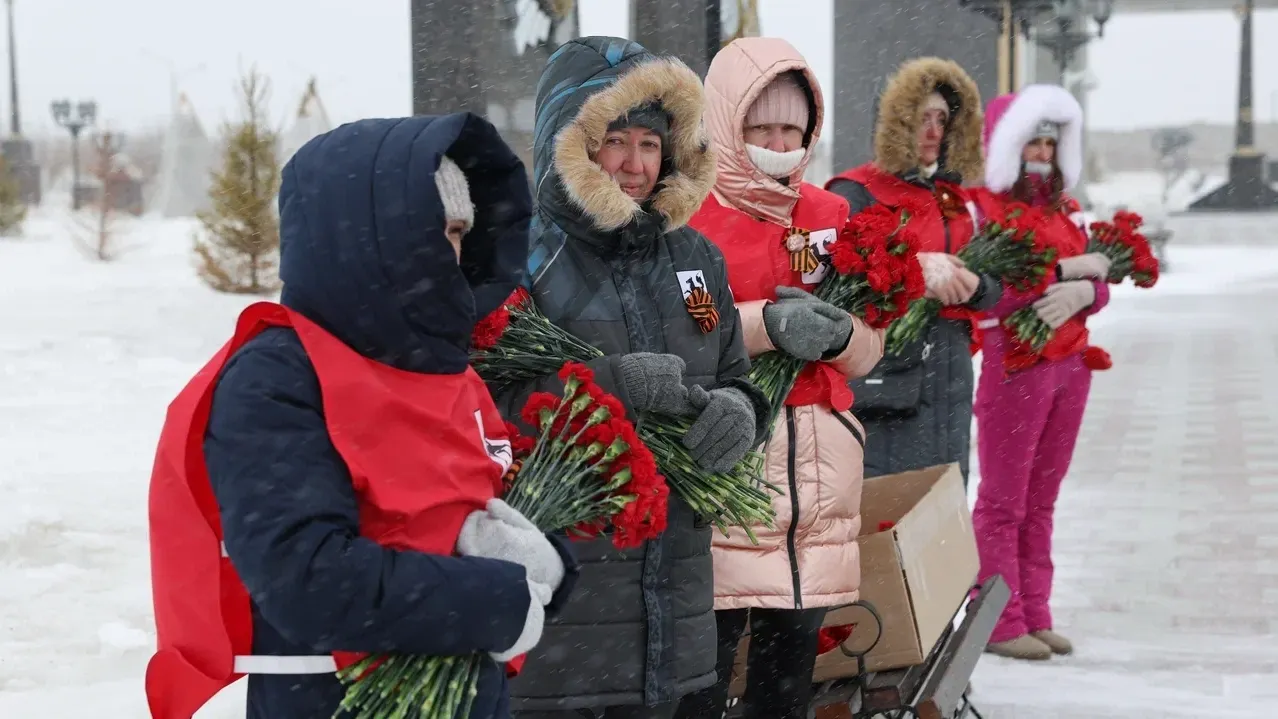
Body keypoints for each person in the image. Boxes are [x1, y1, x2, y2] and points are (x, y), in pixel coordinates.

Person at [145, 113, 578, 719]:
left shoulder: (445, 369)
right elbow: (308, 580)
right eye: (437, 231)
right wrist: (496, 597)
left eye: (461, 232)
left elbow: (462, 511)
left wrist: (542, 564)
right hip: (333, 700)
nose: (453, 255)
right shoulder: (277, 375)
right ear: (380, 239)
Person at [496, 36, 770, 719]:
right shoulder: (517, 262)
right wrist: (608, 387)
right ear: (570, 140)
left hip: (675, 618)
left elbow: (734, 373)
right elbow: (486, 407)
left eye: (651, 144)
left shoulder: (695, 259)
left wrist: (742, 412)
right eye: (615, 140)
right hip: (565, 629)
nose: (635, 164)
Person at [673, 38, 883, 719]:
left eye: (791, 128)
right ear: (727, 126)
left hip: (817, 487)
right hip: (734, 474)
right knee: (704, 671)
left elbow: (871, 344)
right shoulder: (690, 223)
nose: (778, 142)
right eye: (760, 127)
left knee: (788, 678)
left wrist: (844, 335)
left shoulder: (833, 218)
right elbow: (694, 321)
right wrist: (767, 325)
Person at [968, 84, 1112, 661]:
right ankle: (1000, 621)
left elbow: (1097, 287)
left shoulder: (1064, 209)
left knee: (1042, 499)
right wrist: (1061, 271)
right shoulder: (983, 207)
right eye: (1032, 141)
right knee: (1004, 501)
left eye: (1051, 144)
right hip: (1017, 366)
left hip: (1071, 365)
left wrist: (1086, 290)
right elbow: (988, 295)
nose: (1042, 155)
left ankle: (1037, 610)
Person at [825, 57, 999, 484]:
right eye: (922, 118)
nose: (934, 131)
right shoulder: (854, 192)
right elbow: (836, 287)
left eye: (942, 118)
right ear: (896, 122)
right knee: (886, 505)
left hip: (951, 372)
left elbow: (996, 288)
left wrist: (975, 287)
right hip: (887, 377)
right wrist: (914, 270)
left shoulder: (957, 201)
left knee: (944, 506)